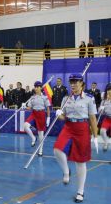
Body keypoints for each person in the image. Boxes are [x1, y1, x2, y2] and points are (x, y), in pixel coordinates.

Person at [53, 73, 98, 203]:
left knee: (80, 161)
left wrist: (95, 136)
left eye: (75, 82)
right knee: (57, 149)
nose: (73, 84)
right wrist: (59, 114)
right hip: (68, 126)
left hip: (82, 128)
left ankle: (80, 191)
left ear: (82, 84)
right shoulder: (66, 98)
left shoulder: (89, 98)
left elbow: (93, 118)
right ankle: (66, 171)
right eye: (71, 82)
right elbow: (63, 117)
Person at [23, 81, 51, 156]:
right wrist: (24, 106)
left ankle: (40, 150)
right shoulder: (32, 97)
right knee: (25, 126)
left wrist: (48, 117)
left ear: (40, 88)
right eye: (35, 87)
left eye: (37, 87)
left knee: (40, 134)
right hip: (34, 114)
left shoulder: (45, 97)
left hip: (41, 114)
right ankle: (33, 138)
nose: (36, 88)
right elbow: (29, 107)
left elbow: (48, 108)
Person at [98, 83, 111, 152]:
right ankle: (106, 143)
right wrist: (101, 109)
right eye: (108, 90)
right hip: (108, 119)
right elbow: (100, 112)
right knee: (102, 131)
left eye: (110, 90)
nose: (109, 91)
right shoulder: (104, 100)